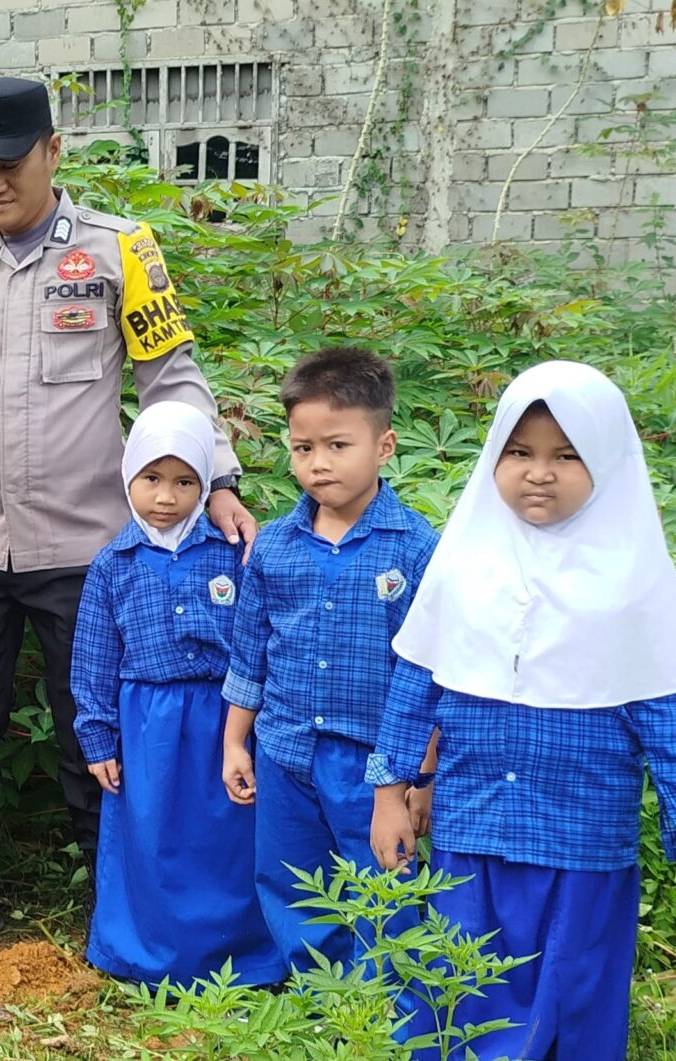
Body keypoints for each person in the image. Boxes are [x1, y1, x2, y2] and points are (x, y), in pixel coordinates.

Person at [0, 76, 254, 953]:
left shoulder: (122, 252)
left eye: (9, 165)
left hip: (88, 547)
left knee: (91, 727)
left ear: (53, 152)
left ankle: (118, 897)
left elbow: (170, 379)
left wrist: (217, 475)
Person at [366, 360, 676, 1059]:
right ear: (494, 458)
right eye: (520, 452)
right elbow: (414, 684)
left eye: (566, 455)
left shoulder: (636, 580)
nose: (540, 472)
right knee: (458, 978)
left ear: (606, 460)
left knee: (573, 989)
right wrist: (393, 793)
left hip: (581, 836)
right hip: (472, 827)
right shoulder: (464, 561)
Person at [218, 347, 439, 980]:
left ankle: (388, 1012)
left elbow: (431, 675)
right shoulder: (274, 548)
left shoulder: (417, 547)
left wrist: (421, 778)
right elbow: (249, 653)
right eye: (302, 447)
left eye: (338, 445)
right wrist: (237, 743)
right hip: (286, 748)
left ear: (385, 445)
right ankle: (320, 997)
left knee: (384, 881)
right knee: (293, 881)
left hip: (377, 762)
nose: (318, 464)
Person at [71, 402, 275, 986]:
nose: (167, 496)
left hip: (224, 716)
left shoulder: (231, 550)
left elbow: (257, 634)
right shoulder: (113, 562)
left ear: (205, 484)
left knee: (229, 838)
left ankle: (241, 954)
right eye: (152, 479)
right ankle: (147, 951)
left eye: (185, 481)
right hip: (147, 722)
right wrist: (97, 733)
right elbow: (93, 656)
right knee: (150, 836)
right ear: (128, 476)